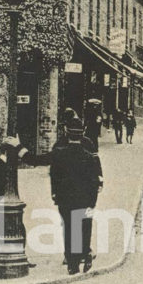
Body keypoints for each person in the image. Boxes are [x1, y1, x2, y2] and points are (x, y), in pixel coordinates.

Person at [51, 117, 103, 274]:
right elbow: (96, 165)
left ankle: (76, 257)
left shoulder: (62, 145)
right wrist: (98, 185)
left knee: (71, 224)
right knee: (83, 223)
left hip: (67, 195)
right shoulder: (83, 144)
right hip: (87, 195)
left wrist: (54, 191)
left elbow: (54, 172)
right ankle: (79, 254)